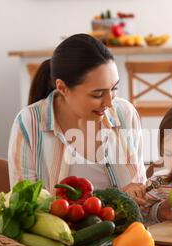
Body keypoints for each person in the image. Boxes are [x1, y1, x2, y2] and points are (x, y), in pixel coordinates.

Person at [8, 34, 147, 205]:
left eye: (114, 89)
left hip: (129, 230)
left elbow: (141, 192)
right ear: (62, 88)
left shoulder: (125, 114)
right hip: (59, 232)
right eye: (98, 94)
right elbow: (24, 205)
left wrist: (158, 208)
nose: (110, 102)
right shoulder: (29, 124)